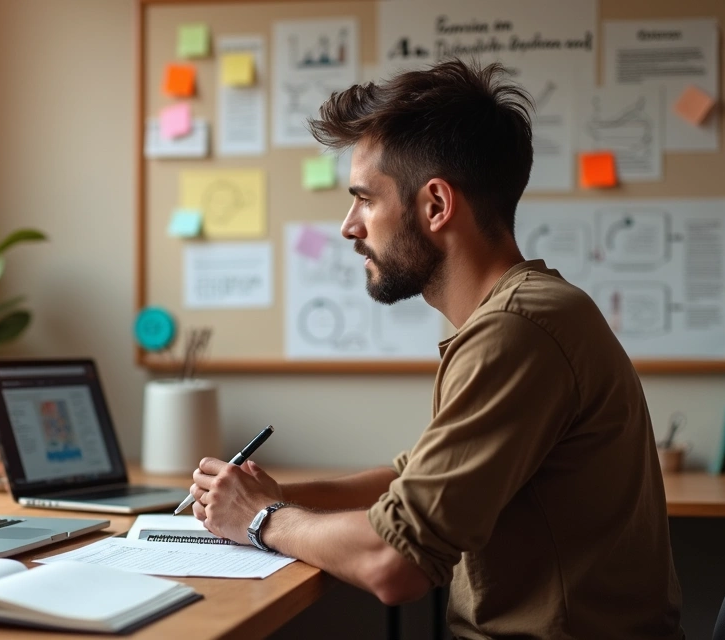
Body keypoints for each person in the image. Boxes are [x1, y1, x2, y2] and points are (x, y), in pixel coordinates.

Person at [187, 59, 683, 639]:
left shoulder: (518, 329)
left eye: (365, 200)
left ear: (436, 205)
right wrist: (264, 498)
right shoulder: (525, 314)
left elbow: (394, 563)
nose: (349, 227)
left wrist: (262, 519)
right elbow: (410, 482)